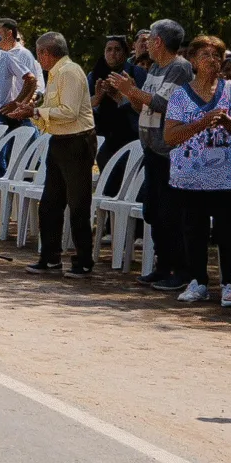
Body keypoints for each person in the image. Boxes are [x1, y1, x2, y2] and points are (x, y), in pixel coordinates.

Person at [162, 33, 231, 305]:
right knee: (194, 229)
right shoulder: (180, 95)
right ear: (192, 60)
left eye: (217, 56)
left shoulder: (230, 90)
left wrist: (226, 120)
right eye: (206, 55)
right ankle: (198, 281)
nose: (213, 61)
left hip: (227, 175)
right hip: (191, 176)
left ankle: (229, 283)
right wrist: (201, 123)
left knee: (228, 231)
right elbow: (170, 137)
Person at [110, 18, 197, 292]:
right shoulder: (157, 67)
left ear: (158, 41)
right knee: (154, 212)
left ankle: (180, 270)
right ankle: (163, 266)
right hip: (152, 150)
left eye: (150, 38)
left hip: (170, 153)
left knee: (172, 213)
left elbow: (165, 103)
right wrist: (130, 95)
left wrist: (133, 91)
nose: (145, 42)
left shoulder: (179, 68)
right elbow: (144, 108)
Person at [26, 31, 97, 275]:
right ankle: (50, 257)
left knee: (78, 204)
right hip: (59, 140)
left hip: (77, 142)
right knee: (49, 204)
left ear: (46, 53)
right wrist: (35, 111)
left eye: (39, 54)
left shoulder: (69, 72)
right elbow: (50, 109)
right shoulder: (55, 73)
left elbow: (69, 111)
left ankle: (84, 261)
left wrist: (37, 113)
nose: (39, 59)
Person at [91, 35, 141, 165]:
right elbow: (82, 104)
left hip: (131, 133)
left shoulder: (136, 73)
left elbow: (143, 105)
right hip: (103, 133)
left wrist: (120, 97)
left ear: (125, 53)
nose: (113, 54)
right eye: (109, 50)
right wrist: (97, 98)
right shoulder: (95, 74)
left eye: (117, 50)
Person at [0, 18, 40, 128]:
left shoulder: (23, 54)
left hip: (20, 117)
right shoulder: (0, 55)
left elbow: (33, 83)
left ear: (9, 33)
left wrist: (18, 104)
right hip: (4, 115)